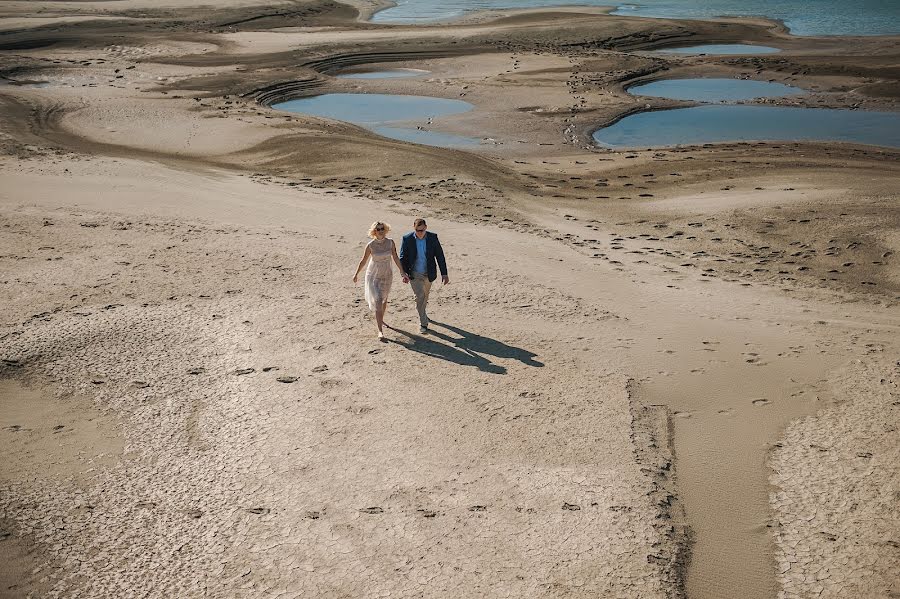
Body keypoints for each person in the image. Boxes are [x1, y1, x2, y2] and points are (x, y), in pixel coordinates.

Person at [352, 221, 405, 341]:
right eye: (378, 229)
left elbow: (396, 257)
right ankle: (380, 330)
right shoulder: (370, 245)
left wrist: (402, 272)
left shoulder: (390, 242)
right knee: (378, 300)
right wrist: (356, 274)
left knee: (384, 299)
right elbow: (363, 261)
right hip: (373, 275)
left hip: (387, 274)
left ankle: (381, 319)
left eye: (382, 229)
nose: (380, 231)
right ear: (374, 231)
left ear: (385, 230)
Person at [399, 218, 449, 333]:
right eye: (417, 230)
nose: (419, 233)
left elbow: (440, 256)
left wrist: (444, 273)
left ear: (426, 227)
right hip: (414, 273)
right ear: (414, 228)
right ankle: (423, 323)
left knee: (425, 296)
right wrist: (404, 273)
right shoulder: (407, 239)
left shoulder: (433, 237)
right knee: (420, 297)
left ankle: (423, 313)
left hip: (429, 273)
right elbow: (402, 257)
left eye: (421, 230)